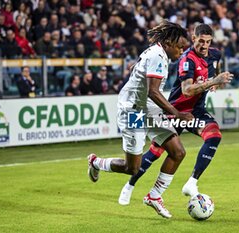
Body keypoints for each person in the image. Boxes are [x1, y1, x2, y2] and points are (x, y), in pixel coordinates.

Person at [87, 21, 231, 218]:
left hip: (149, 108)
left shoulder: (159, 53)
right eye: (180, 47)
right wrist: (177, 113)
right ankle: (96, 163)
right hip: (134, 112)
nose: (181, 51)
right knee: (132, 167)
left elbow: (146, 86)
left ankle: (154, 196)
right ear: (169, 42)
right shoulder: (157, 56)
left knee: (178, 151)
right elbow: (154, 92)